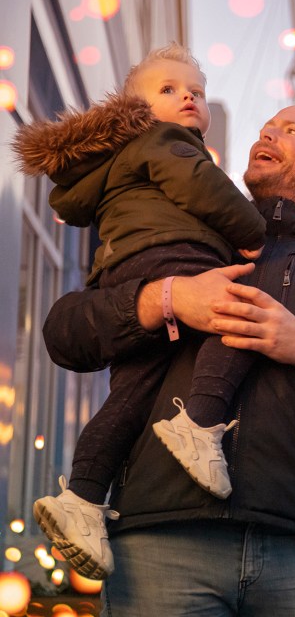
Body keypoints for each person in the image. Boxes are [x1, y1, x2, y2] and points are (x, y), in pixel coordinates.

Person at [41, 103, 295, 615]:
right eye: (265, 126)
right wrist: (167, 299)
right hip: (162, 540)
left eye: (290, 130)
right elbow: (64, 333)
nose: (267, 134)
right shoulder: (182, 236)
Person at [14, 42, 269, 578]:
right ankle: (199, 422)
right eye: (169, 90)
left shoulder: (120, 163)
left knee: (130, 395)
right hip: (173, 256)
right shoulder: (166, 141)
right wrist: (251, 233)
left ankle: (81, 497)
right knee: (235, 313)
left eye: (196, 92)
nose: (188, 99)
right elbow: (201, 188)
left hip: (127, 269)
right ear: (135, 112)